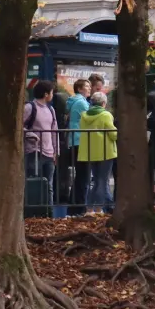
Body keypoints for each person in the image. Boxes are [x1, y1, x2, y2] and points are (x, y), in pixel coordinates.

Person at [78, 91, 118, 213]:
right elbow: (113, 135)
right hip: (105, 152)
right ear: (103, 103)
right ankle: (99, 208)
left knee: (96, 180)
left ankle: (91, 208)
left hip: (90, 152)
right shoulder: (106, 115)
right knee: (101, 181)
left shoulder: (84, 115)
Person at [23, 80, 59, 217]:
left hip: (49, 152)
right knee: (34, 182)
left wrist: (56, 152)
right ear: (46, 94)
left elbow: (54, 131)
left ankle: (48, 214)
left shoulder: (51, 109)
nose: (52, 95)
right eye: (51, 92)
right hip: (34, 151)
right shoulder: (30, 107)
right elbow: (19, 126)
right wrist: (30, 134)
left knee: (49, 185)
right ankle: (33, 213)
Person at [65, 78, 92, 215]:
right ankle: (79, 208)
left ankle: (74, 207)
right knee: (84, 177)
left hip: (76, 142)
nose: (89, 88)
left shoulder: (75, 101)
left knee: (81, 176)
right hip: (81, 141)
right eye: (87, 86)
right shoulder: (82, 103)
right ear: (80, 89)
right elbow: (90, 119)